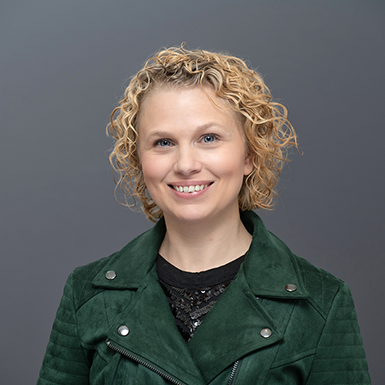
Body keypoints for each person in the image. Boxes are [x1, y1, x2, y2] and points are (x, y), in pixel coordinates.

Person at [37, 46, 371, 385]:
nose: (185, 165)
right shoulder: (87, 295)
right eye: (164, 143)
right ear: (140, 161)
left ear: (249, 155)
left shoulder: (322, 301)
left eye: (208, 138)